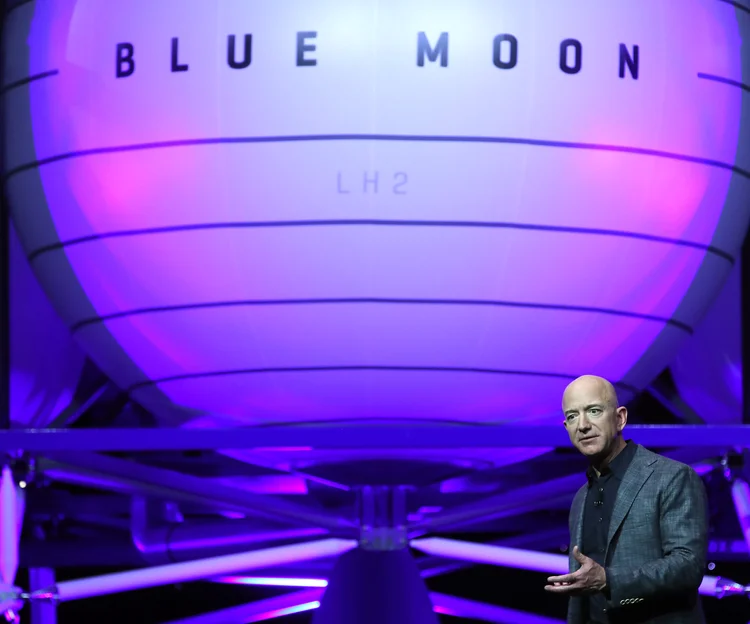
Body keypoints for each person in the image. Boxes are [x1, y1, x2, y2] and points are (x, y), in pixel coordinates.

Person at [544, 375, 708, 624]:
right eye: (573, 416)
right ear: (566, 428)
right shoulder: (580, 499)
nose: (583, 425)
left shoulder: (672, 477)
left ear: (620, 418)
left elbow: (688, 566)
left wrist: (608, 580)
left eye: (594, 411)